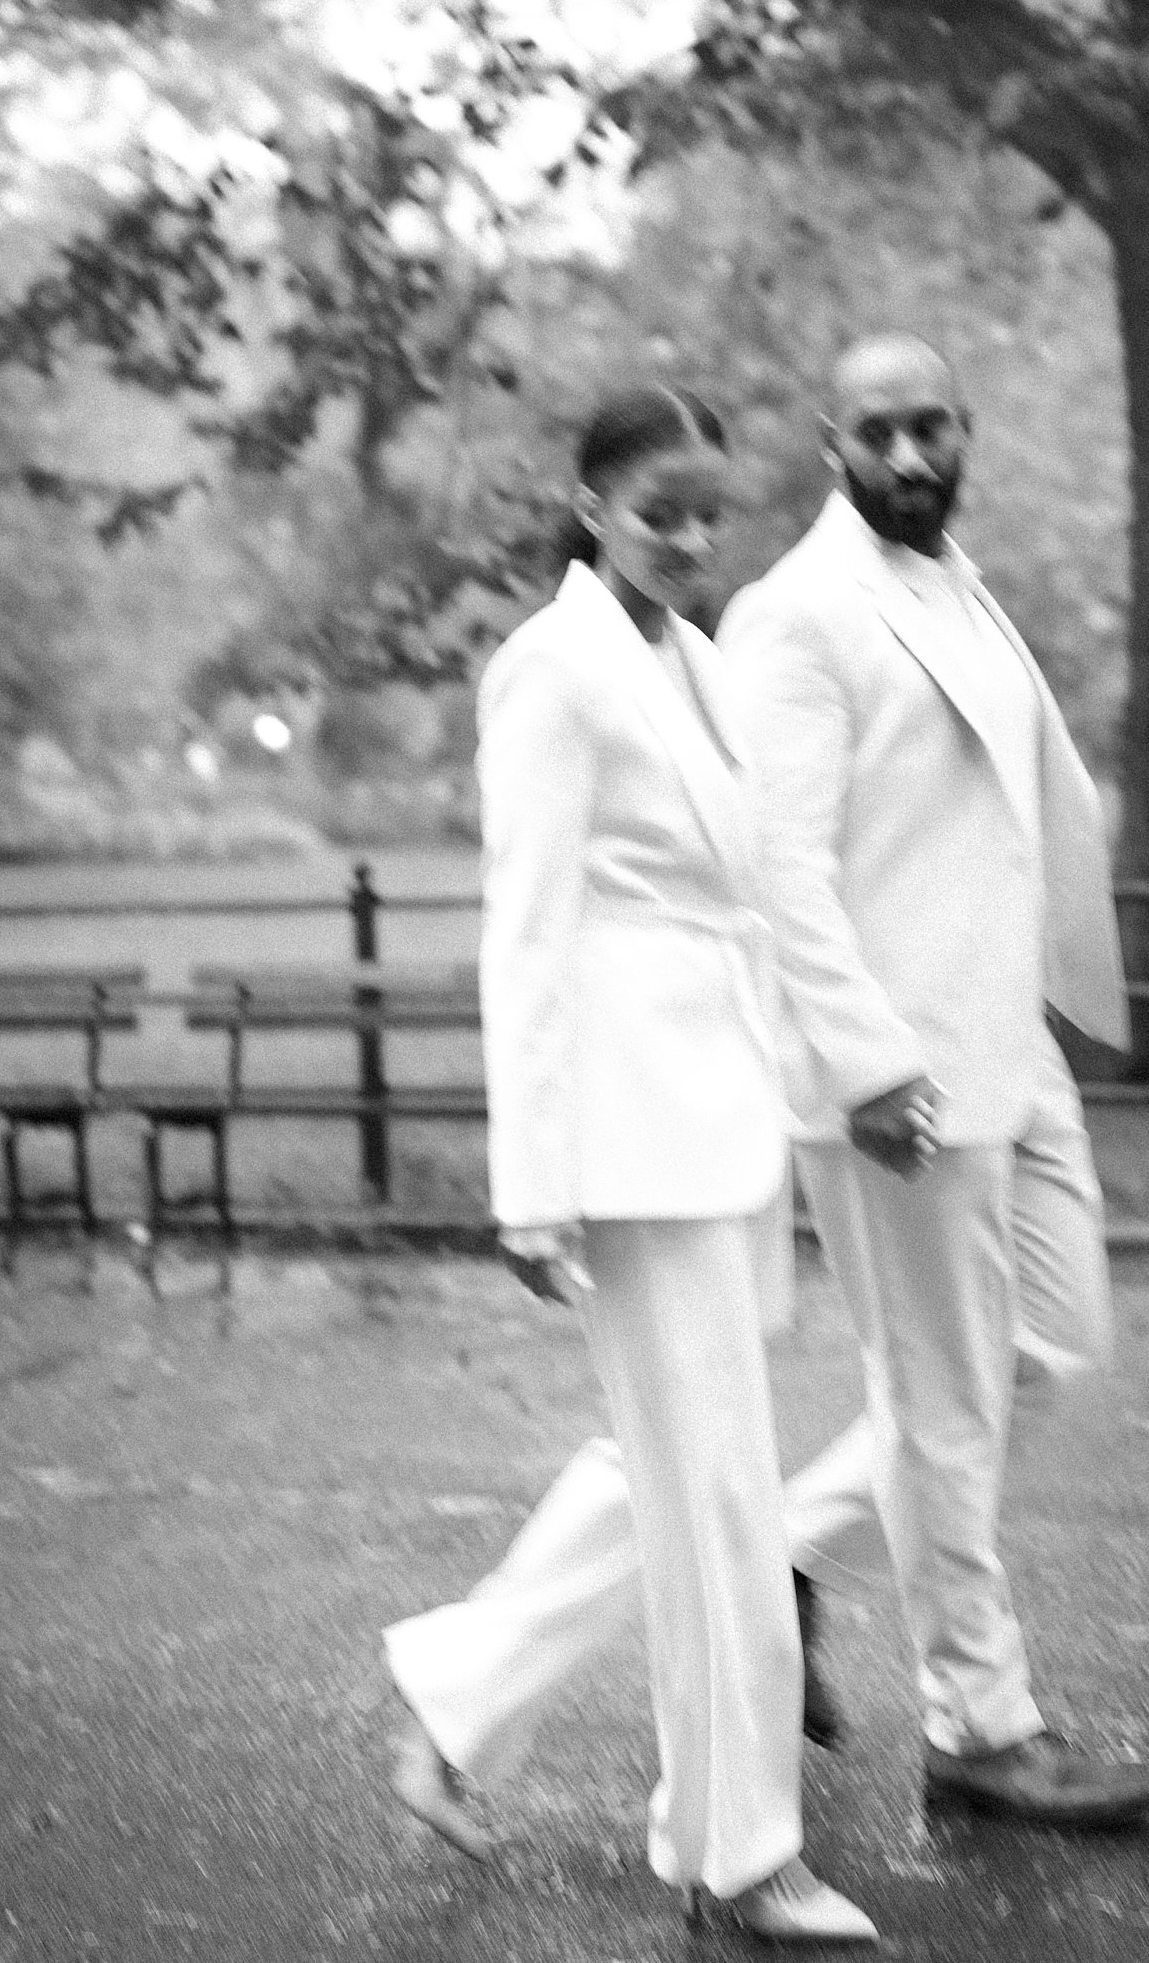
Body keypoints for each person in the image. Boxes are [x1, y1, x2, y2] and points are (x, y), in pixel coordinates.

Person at [383, 385, 878, 1945]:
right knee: (723, 1500)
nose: (687, 535)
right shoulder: (556, 667)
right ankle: (738, 1853)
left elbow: (751, 897)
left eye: (709, 511)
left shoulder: (699, 660)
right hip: (632, 1141)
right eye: (658, 507)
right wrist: (529, 1184)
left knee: (669, 1479)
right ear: (591, 504)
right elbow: (522, 937)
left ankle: (461, 1694)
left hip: (729, 1123)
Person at [714, 331, 1149, 1827]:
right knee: (948, 1410)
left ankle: (782, 1550)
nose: (910, 457)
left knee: (1059, 1338)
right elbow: (782, 868)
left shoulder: (957, 588)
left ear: (966, 431)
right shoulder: (795, 616)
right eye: (879, 433)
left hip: (1010, 1055)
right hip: (896, 1088)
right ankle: (983, 1726)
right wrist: (862, 1063)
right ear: (831, 445)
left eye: (933, 428)